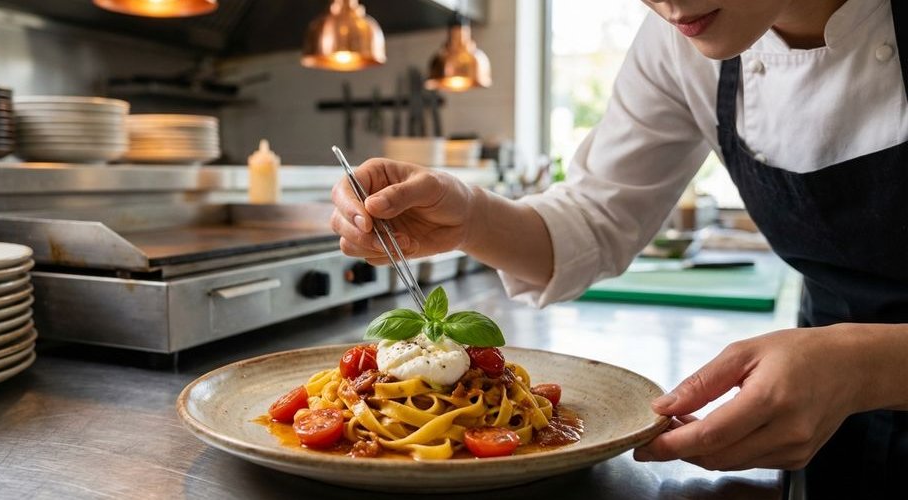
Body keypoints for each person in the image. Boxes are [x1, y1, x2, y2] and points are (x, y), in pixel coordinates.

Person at [331, 0, 908, 497]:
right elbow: (596, 219)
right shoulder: (682, 39)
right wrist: (471, 217)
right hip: (822, 404)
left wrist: (868, 364)